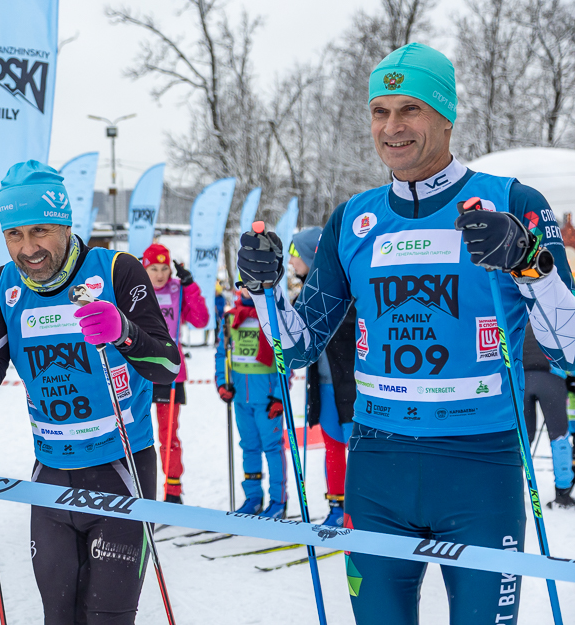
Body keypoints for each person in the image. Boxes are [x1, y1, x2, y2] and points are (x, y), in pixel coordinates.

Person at [235, 43, 575, 624]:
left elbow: (568, 351)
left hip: (480, 466)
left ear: (446, 117)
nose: (392, 127)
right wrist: (265, 290)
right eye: (380, 111)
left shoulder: (512, 202)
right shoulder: (353, 218)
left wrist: (529, 262)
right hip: (377, 468)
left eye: (410, 109)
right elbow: (297, 346)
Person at [0, 160, 180, 625]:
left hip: (121, 469)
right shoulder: (5, 284)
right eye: (14, 234)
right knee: (58, 617)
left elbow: (168, 366)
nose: (28, 249)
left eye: (40, 231)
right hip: (50, 473)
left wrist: (123, 332)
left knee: (107, 619)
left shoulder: (117, 271)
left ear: (65, 224)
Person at [290, 226, 357, 526]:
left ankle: (358, 512)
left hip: (353, 386)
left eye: (295, 253)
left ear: (311, 255)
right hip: (325, 386)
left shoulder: (344, 288)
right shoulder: (303, 295)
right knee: (332, 447)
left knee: (356, 449)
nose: (291, 260)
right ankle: (337, 508)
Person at [141, 242, 209, 503]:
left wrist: (190, 286)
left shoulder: (177, 290)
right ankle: (137, 489)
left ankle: (172, 491)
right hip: (139, 372)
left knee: (168, 436)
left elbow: (201, 320)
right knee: (135, 435)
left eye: (164, 269)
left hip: (170, 372)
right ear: (144, 269)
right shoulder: (135, 289)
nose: (160, 275)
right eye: (153, 269)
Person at [214, 287, 288, 517]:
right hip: (241, 398)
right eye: (244, 283)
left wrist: (279, 395)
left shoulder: (273, 316)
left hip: (267, 399)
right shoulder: (230, 318)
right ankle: (253, 497)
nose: (249, 288)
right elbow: (221, 354)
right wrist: (222, 382)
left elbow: (285, 358)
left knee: (272, 448)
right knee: (249, 447)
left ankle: (278, 501)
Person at [522, 321, 574, 507]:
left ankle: (514, 489)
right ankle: (563, 493)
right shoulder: (559, 322)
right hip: (551, 379)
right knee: (559, 436)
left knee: (523, 438)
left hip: (523, 380)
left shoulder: (525, 324)